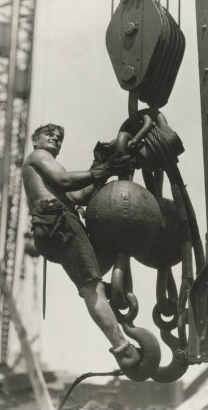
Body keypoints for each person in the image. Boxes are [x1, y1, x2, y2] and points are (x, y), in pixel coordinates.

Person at [22, 123, 141, 373]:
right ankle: (124, 350)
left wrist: (101, 170)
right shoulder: (38, 157)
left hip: (55, 229)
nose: (55, 138)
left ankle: (104, 295)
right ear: (36, 140)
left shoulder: (45, 172)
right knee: (91, 287)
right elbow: (65, 181)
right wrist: (104, 169)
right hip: (60, 221)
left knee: (104, 258)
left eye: (59, 137)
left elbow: (78, 197)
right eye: (49, 135)